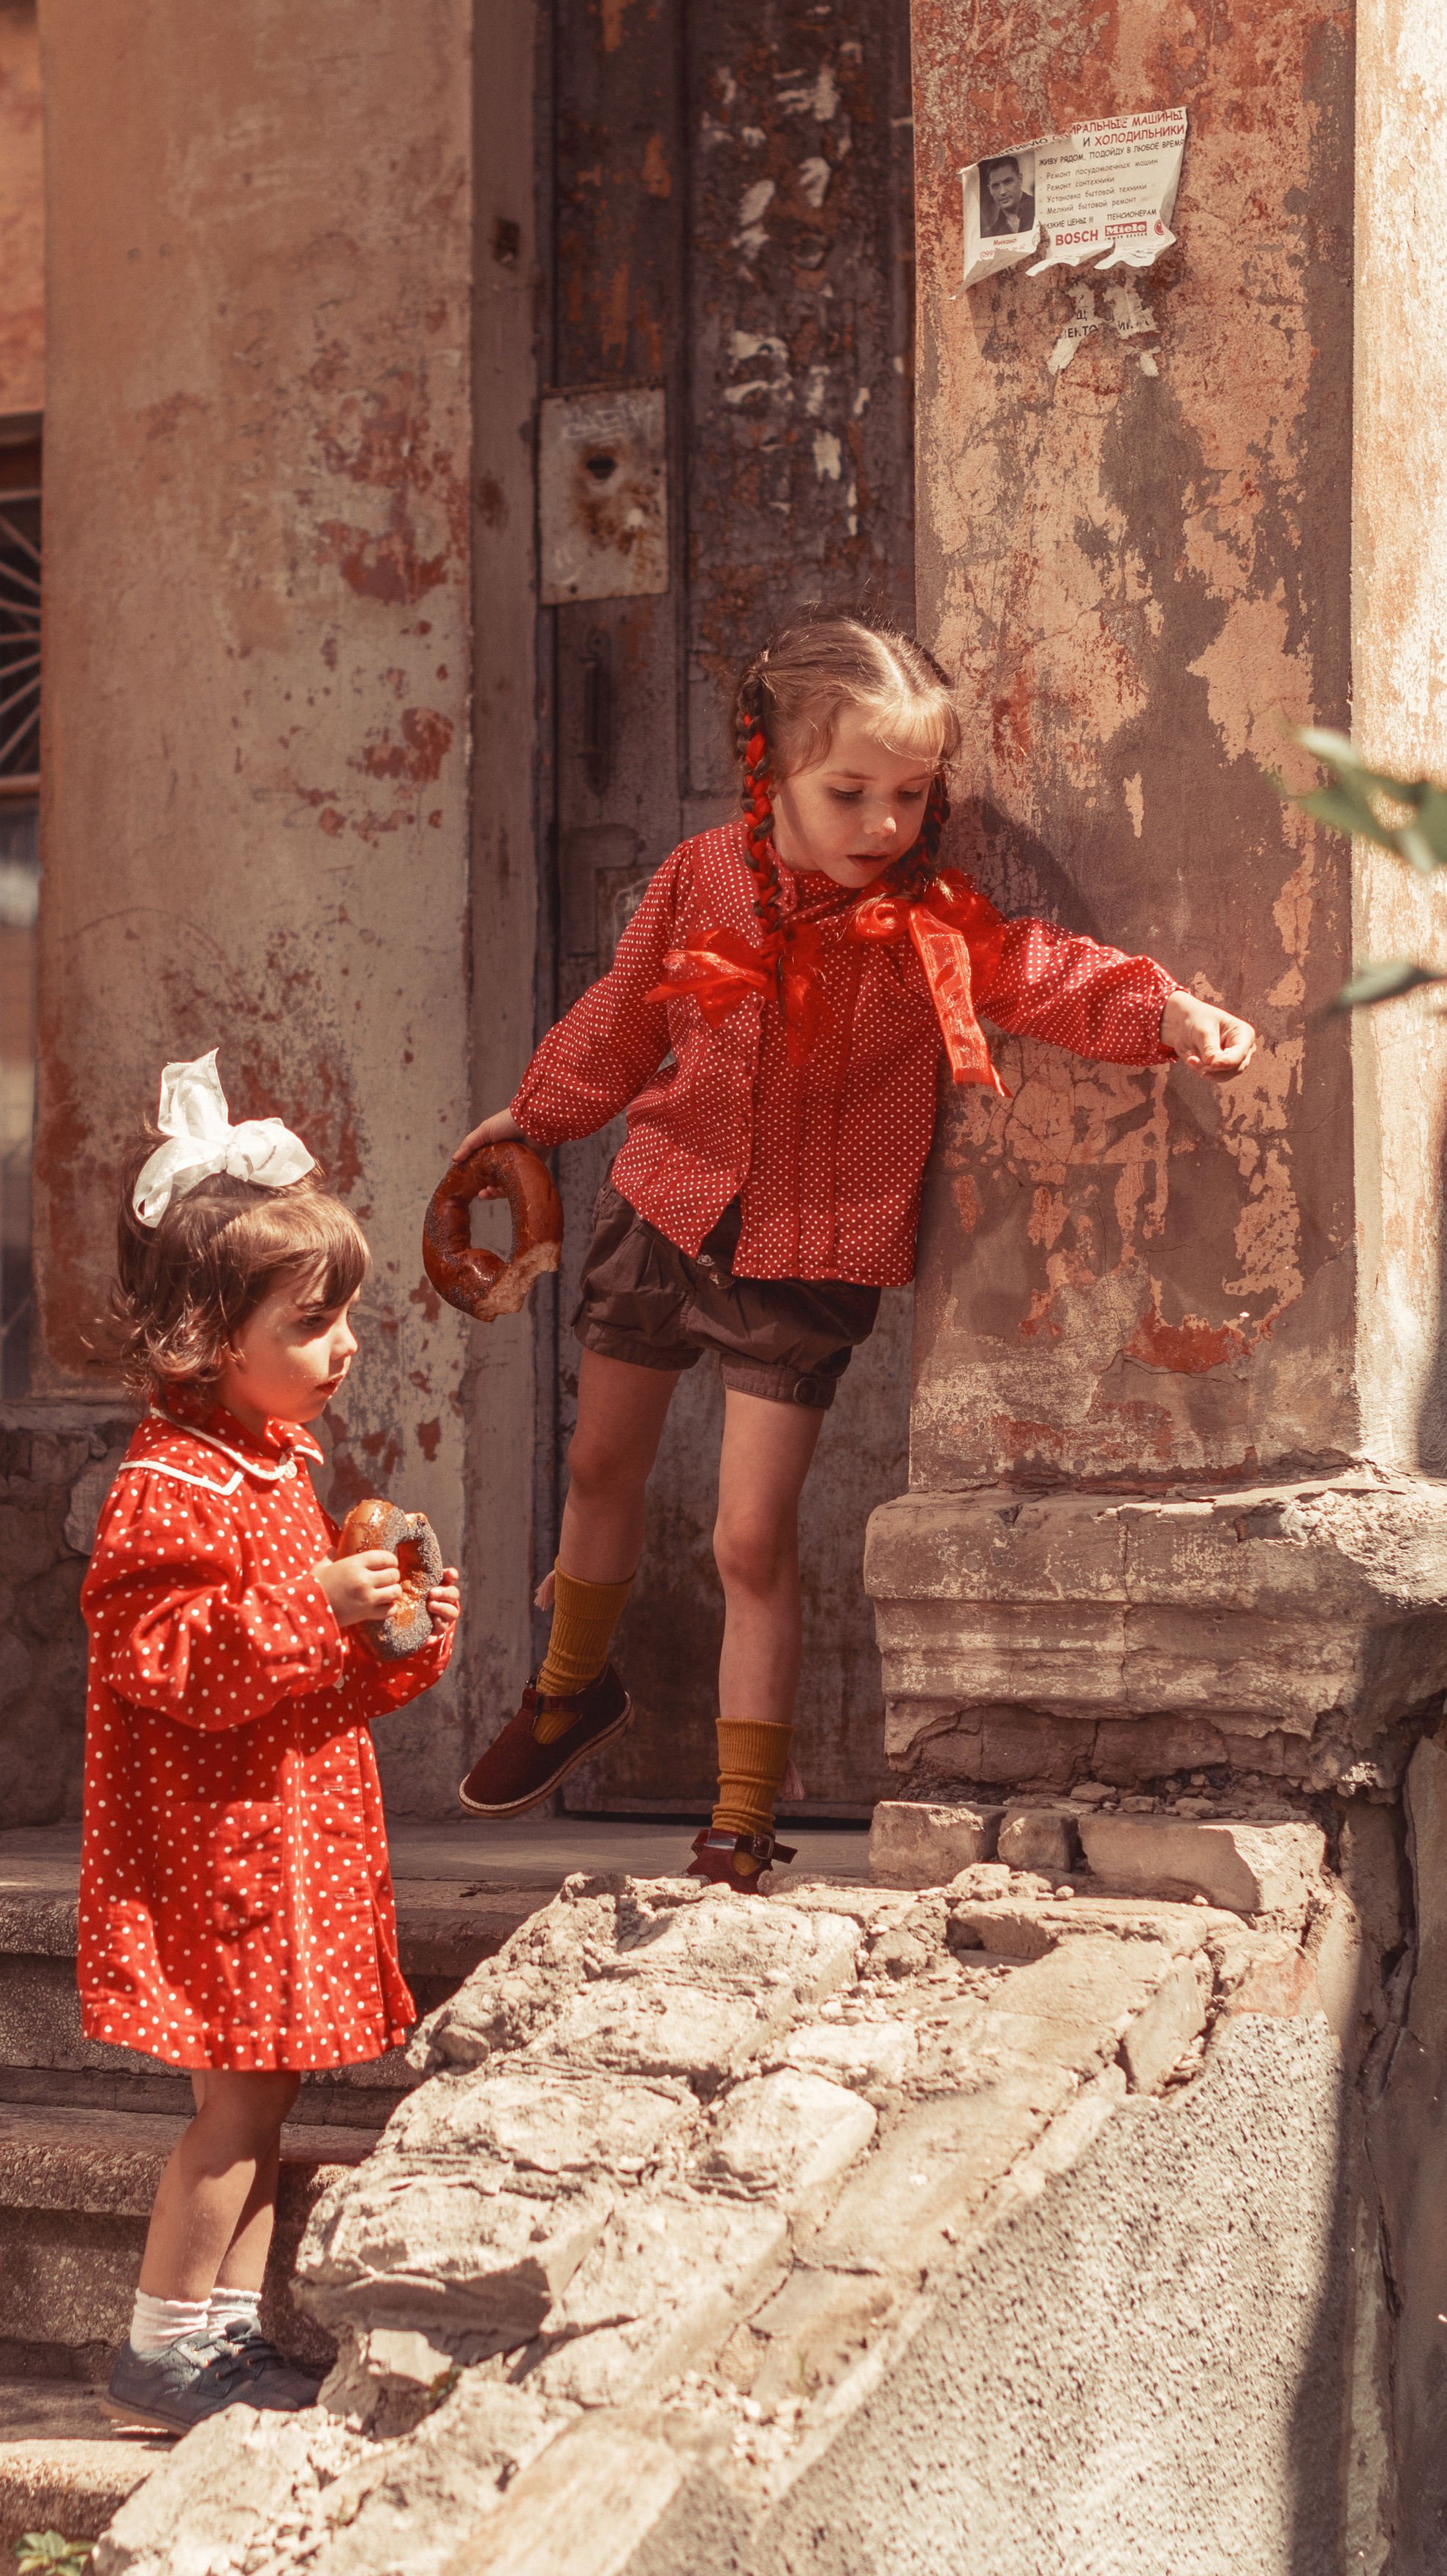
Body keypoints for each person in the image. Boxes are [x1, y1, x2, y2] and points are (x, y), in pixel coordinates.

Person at [452, 611, 1253, 1886]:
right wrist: (538, 1116)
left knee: (748, 1538)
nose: (883, 821)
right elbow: (624, 1011)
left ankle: (742, 1821)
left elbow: (1042, 972)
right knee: (601, 1465)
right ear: (769, 769)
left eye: (910, 793)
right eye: (850, 792)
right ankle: (568, 1692)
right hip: (665, 1204)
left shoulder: (926, 920)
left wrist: (1166, 1012)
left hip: (809, 1250)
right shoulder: (699, 877)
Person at [78, 1051, 461, 2433]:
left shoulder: (275, 1473)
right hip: (217, 1848)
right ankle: (159, 2348)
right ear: (204, 1335)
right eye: (311, 1321)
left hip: (284, 1831)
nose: (343, 1343)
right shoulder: (168, 1482)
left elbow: (305, 1683)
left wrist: (395, 1640)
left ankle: (222, 2339)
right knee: (233, 2115)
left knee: (269, 2100)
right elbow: (156, 1655)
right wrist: (311, 1602)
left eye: (344, 1313)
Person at [979, 151, 1035, 239]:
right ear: (990, 190)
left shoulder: (1038, 209)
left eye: (1007, 182)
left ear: (1020, 179)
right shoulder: (991, 233)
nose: (1002, 192)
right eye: (996, 186)